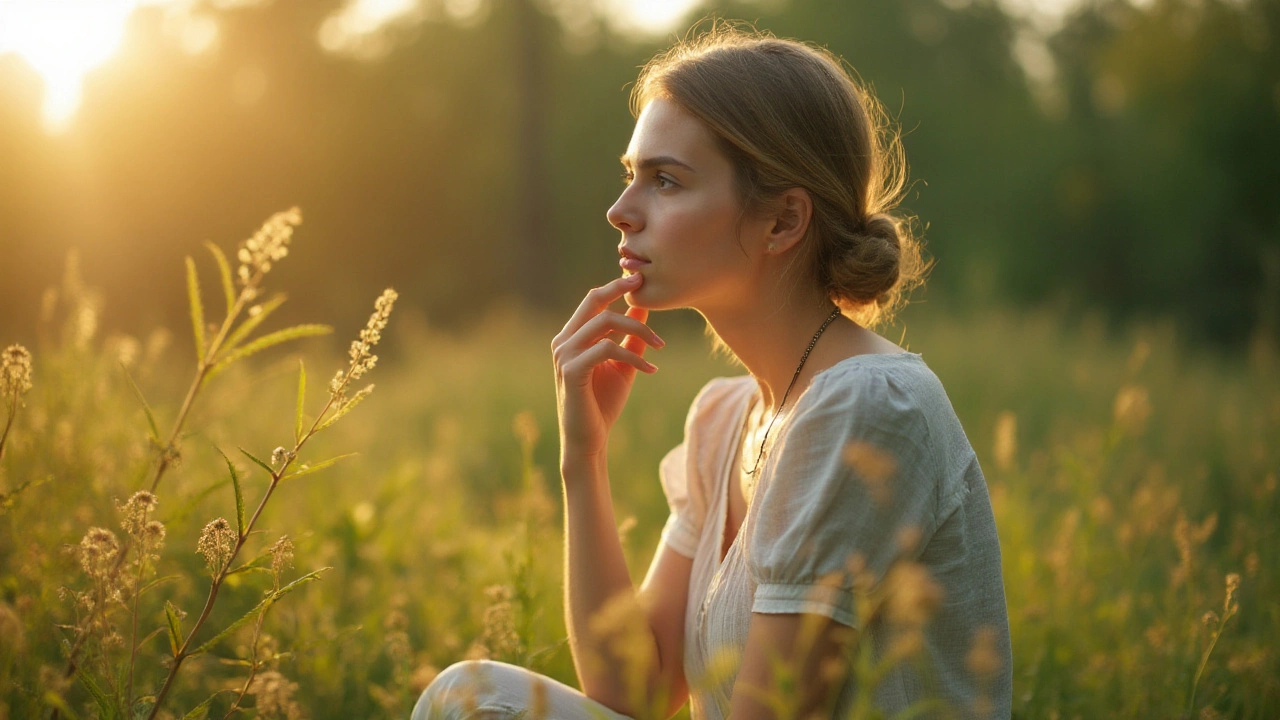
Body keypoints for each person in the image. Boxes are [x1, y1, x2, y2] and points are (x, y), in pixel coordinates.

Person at [413, 22, 1011, 720]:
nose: (620, 211)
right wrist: (585, 453)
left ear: (782, 222)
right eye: (630, 175)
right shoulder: (726, 419)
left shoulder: (869, 403)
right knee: (473, 696)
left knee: (469, 702)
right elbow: (635, 690)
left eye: (665, 180)